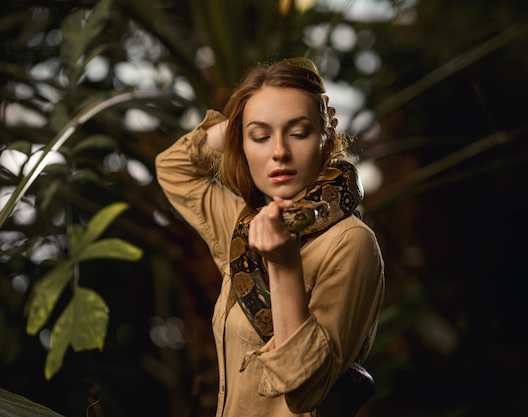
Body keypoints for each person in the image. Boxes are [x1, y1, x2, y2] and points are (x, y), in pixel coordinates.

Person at [155, 57, 384, 417]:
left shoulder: (351, 242)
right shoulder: (242, 224)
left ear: (325, 139)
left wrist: (283, 264)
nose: (279, 151)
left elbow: (306, 391)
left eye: (299, 132)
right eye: (260, 136)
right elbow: (173, 167)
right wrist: (241, 121)